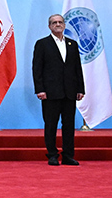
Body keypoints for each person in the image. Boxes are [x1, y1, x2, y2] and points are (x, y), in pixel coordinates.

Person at [32, 14, 85, 166]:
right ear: (49, 26)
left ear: (64, 25)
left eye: (60, 22)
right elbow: (37, 69)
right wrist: (40, 89)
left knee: (69, 125)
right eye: (54, 22)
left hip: (70, 92)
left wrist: (80, 88)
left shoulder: (72, 44)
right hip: (50, 92)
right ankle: (52, 155)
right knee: (51, 125)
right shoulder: (42, 44)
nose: (57, 24)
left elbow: (77, 68)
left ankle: (68, 155)